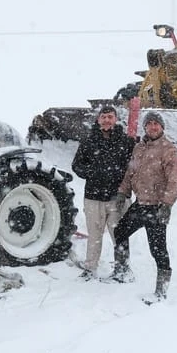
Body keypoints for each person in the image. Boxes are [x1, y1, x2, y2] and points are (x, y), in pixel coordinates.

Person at [108, 111, 177, 304]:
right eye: (149, 124)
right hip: (139, 205)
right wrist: (123, 193)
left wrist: (167, 204)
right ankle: (122, 271)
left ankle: (161, 292)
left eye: (156, 124)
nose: (153, 127)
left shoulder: (169, 150)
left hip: (156, 207)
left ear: (162, 127)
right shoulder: (139, 148)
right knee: (120, 232)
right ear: (145, 127)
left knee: (158, 250)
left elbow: (174, 180)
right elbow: (130, 172)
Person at [70, 105, 136, 280]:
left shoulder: (125, 141)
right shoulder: (89, 140)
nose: (107, 120)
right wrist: (92, 172)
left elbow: (134, 167)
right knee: (94, 234)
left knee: (120, 235)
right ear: (98, 119)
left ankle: (122, 269)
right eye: (104, 117)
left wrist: (124, 185)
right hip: (93, 197)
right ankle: (90, 268)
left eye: (110, 117)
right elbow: (76, 165)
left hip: (117, 197)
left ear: (115, 119)